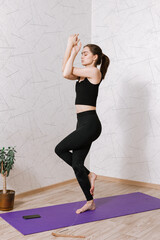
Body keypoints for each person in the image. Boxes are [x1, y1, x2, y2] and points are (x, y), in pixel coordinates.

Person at [55, 34, 110, 214]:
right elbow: (65, 70)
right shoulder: (80, 75)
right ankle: (90, 201)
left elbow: (66, 71)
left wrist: (73, 46)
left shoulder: (94, 72)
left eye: (85, 53)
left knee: (60, 149)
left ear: (95, 57)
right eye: (82, 53)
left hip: (91, 124)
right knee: (77, 164)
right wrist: (69, 47)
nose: (82, 56)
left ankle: (90, 175)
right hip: (82, 124)